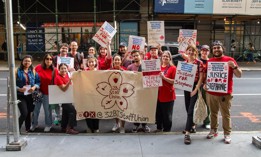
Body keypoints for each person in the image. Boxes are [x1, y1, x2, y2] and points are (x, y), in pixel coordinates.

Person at [205, 40, 242, 144]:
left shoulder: (230, 60)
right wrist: (205, 84)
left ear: (222, 49)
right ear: (212, 50)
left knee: (225, 114)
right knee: (213, 113)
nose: (216, 49)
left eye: (218, 47)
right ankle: (213, 130)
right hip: (211, 93)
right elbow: (207, 76)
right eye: (215, 48)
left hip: (225, 94)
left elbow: (239, 75)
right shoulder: (210, 61)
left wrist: (234, 67)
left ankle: (227, 133)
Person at [182, 45, 204, 145]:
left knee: (191, 109)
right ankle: (192, 125)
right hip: (186, 86)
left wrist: (196, 89)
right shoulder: (185, 63)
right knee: (187, 108)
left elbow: (201, 78)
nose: (190, 52)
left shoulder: (199, 63)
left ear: (195, 52)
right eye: (189, 50)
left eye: (192, 51)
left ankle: (187, 133)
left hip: (195, 86)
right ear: (187, 52)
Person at [31, 54, 58, 132]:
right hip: (38, 92)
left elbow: (57, 81)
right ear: (44, 59)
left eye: (50, 59)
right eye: (47, 59)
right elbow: (32, 78)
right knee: (36, 110)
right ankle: (34, 124)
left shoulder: (54, 70)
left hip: (48, 93)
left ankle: (48, 125)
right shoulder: (38, 67)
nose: (48, 60)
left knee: (47, 110)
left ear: (52, 61)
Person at [127, 50, 151, 133]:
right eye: (133, 56)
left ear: (140, 56)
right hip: (134, 91)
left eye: (137, 55)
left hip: (144, 91)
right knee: (135, 108)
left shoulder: (146, 65)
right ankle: (136, 124)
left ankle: (144, 124)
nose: (135, 57)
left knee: (144, 108)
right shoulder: (130, 67)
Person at [16, 55, 40, 132]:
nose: (27, 62)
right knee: (24, 113)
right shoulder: (17, 71)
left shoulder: (33, 71)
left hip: (31, 95)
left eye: (29, 61)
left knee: (29, 112)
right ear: (22, 62)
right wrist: (19, 89)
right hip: (21, 95)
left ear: (31, 62)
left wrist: (34, 87)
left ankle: (27, 128)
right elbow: (12, 84)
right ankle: (17, 129)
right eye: (25, 61)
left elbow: (38, 82)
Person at [55, 63, 79, 134]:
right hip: (63, 99)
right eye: (62, 68)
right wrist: (69, 81)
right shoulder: (58, 77)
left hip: (68, 98)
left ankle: (64, 127)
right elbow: (64, 89)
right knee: (73, 111)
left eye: (65, 68)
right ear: (59, 69)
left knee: (65, 112)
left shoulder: (67, 76)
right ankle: (70, 128)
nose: (63, 70)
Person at [156, 50, 177, 132]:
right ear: (161, 57)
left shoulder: (173, 68)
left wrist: (164, 78)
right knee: (158, 113)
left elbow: (174, 81)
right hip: (157, 94)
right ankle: (159, 128)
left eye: (167, 56)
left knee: (167, 115)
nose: (165, 57)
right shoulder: (157, 67)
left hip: (168, 95)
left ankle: (167, 130)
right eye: (164, 56)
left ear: (170, 58)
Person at [110, 55, 126, 133]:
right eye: (115, 60)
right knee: (115, 109)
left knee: (122, 110)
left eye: (118, 60)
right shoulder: (109, 70)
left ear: (121, 61)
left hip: (122, 94)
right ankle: (117, 124)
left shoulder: (125, 70)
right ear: (113, 61)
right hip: (113, 93)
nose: (117, 61)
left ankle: (122, 127)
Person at [84, 55, 100, 133]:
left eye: (92, 62)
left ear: (95, 63)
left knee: (95, 112)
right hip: (87, 95)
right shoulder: (84, 72)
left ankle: (96, 127)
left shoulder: (99, 72)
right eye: (89, 62)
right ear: (87, 63)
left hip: (96, 95)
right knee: (88, 111)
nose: (91, 63)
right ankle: (90, 127)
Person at [199, 45, 211, 130]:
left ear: (209, 52)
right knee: (195, 104)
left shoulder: (211, 62)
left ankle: (207, 121)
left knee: (207, 104)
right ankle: (193, 122)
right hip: (197, 85)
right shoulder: (197, 61)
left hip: (207, 86)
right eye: (203, 50)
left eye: (206, 51)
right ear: (200, 51)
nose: (204, 52)